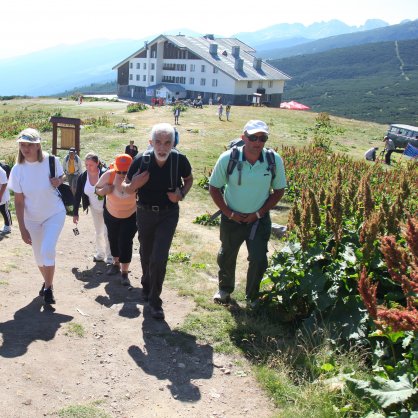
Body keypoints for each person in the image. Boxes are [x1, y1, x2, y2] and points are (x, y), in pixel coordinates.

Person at [209, 120, 287, 307]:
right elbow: (214, 187)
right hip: (231, 218)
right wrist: (229, 213)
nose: (257, 142)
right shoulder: (228, 158)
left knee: (259, 259)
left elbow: (279, 191)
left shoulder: (273, 160)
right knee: (227, 254)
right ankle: (225, 290)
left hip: (258, 220)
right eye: (253, 137)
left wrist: (258, 214)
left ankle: (252, 297)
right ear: (244, 137)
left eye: (262, 138)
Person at [123, 123, 193, 319]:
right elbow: (125, 185)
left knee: (159, 257)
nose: (162, 148)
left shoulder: (179, 160)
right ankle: (146, 285)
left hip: (168, 214)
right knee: (146, 253)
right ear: (151, 142)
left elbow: (188, 180)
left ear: (173, 143)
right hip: (144, 212)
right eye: (158, 142)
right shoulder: (141, 160)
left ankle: (155, 301)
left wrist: (181, 194)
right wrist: (133, 185)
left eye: (167, 143)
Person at [7, 128, 66, 305]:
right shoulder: (18, 169)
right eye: (22, 145)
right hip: (31, 219)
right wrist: (22, 228)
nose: (25, 148)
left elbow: (62, 176)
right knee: (39, 258)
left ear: (38, 145)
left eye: (29, 145)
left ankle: (48, 289)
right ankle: (48, 283)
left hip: (54, 213)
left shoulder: (51, 161)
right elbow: (18, 201)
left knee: (47, 250)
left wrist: (59, 180)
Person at [95, 154, 137, 286]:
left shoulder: (137, 177)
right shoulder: (109, 175)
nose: (122, 174)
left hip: (130, 215)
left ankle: (124, 273)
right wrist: (104, 190)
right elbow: (96, 189)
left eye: (126, 171)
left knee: (125, 241)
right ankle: (115, 263)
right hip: (111, 214)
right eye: (120, 171)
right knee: (112, 239)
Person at [73, 152, 112, 264]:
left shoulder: (105, 174)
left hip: (108, 208)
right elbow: (77, 195)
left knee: (107, 231)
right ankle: (100, 254)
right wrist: (75, 213)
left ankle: (110, 256)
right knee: (98, 231)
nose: (88, 167)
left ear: (97, 163)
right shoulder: (83, 177)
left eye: (91, 165)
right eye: (86, 165)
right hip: (95, 209)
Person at [0, 164, 12, 235]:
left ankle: (8, 226)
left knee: (4, 210)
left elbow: (4, 184)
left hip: (3, 196)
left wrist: (0, 196)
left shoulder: (1, 171)